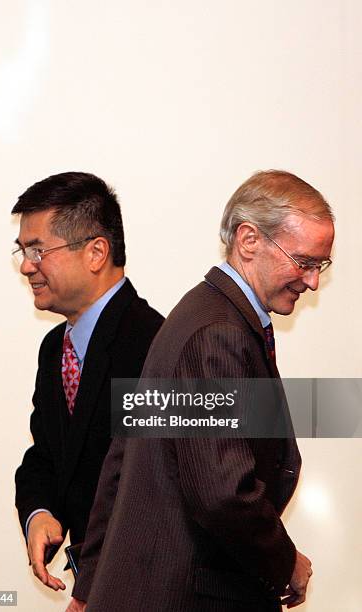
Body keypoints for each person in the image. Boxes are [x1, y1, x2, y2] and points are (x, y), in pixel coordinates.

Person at [68, 170, 335, 612]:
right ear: (248, 240)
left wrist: (91, 585)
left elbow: (119, 461)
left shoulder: (201, 314)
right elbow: (222, 493)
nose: (312, 282)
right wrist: (286, 561)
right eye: (304, 262)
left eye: (320, 266)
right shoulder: (217, 334)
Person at [12, 171, 163, 592]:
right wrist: (39, 512)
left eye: (38, 250)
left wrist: (95, 583)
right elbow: (47, 455)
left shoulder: (156, 345)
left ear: (96, 252)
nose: (27, 266)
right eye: (22, 251)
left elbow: (155, 494)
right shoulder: (54, 348)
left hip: (144, 588)